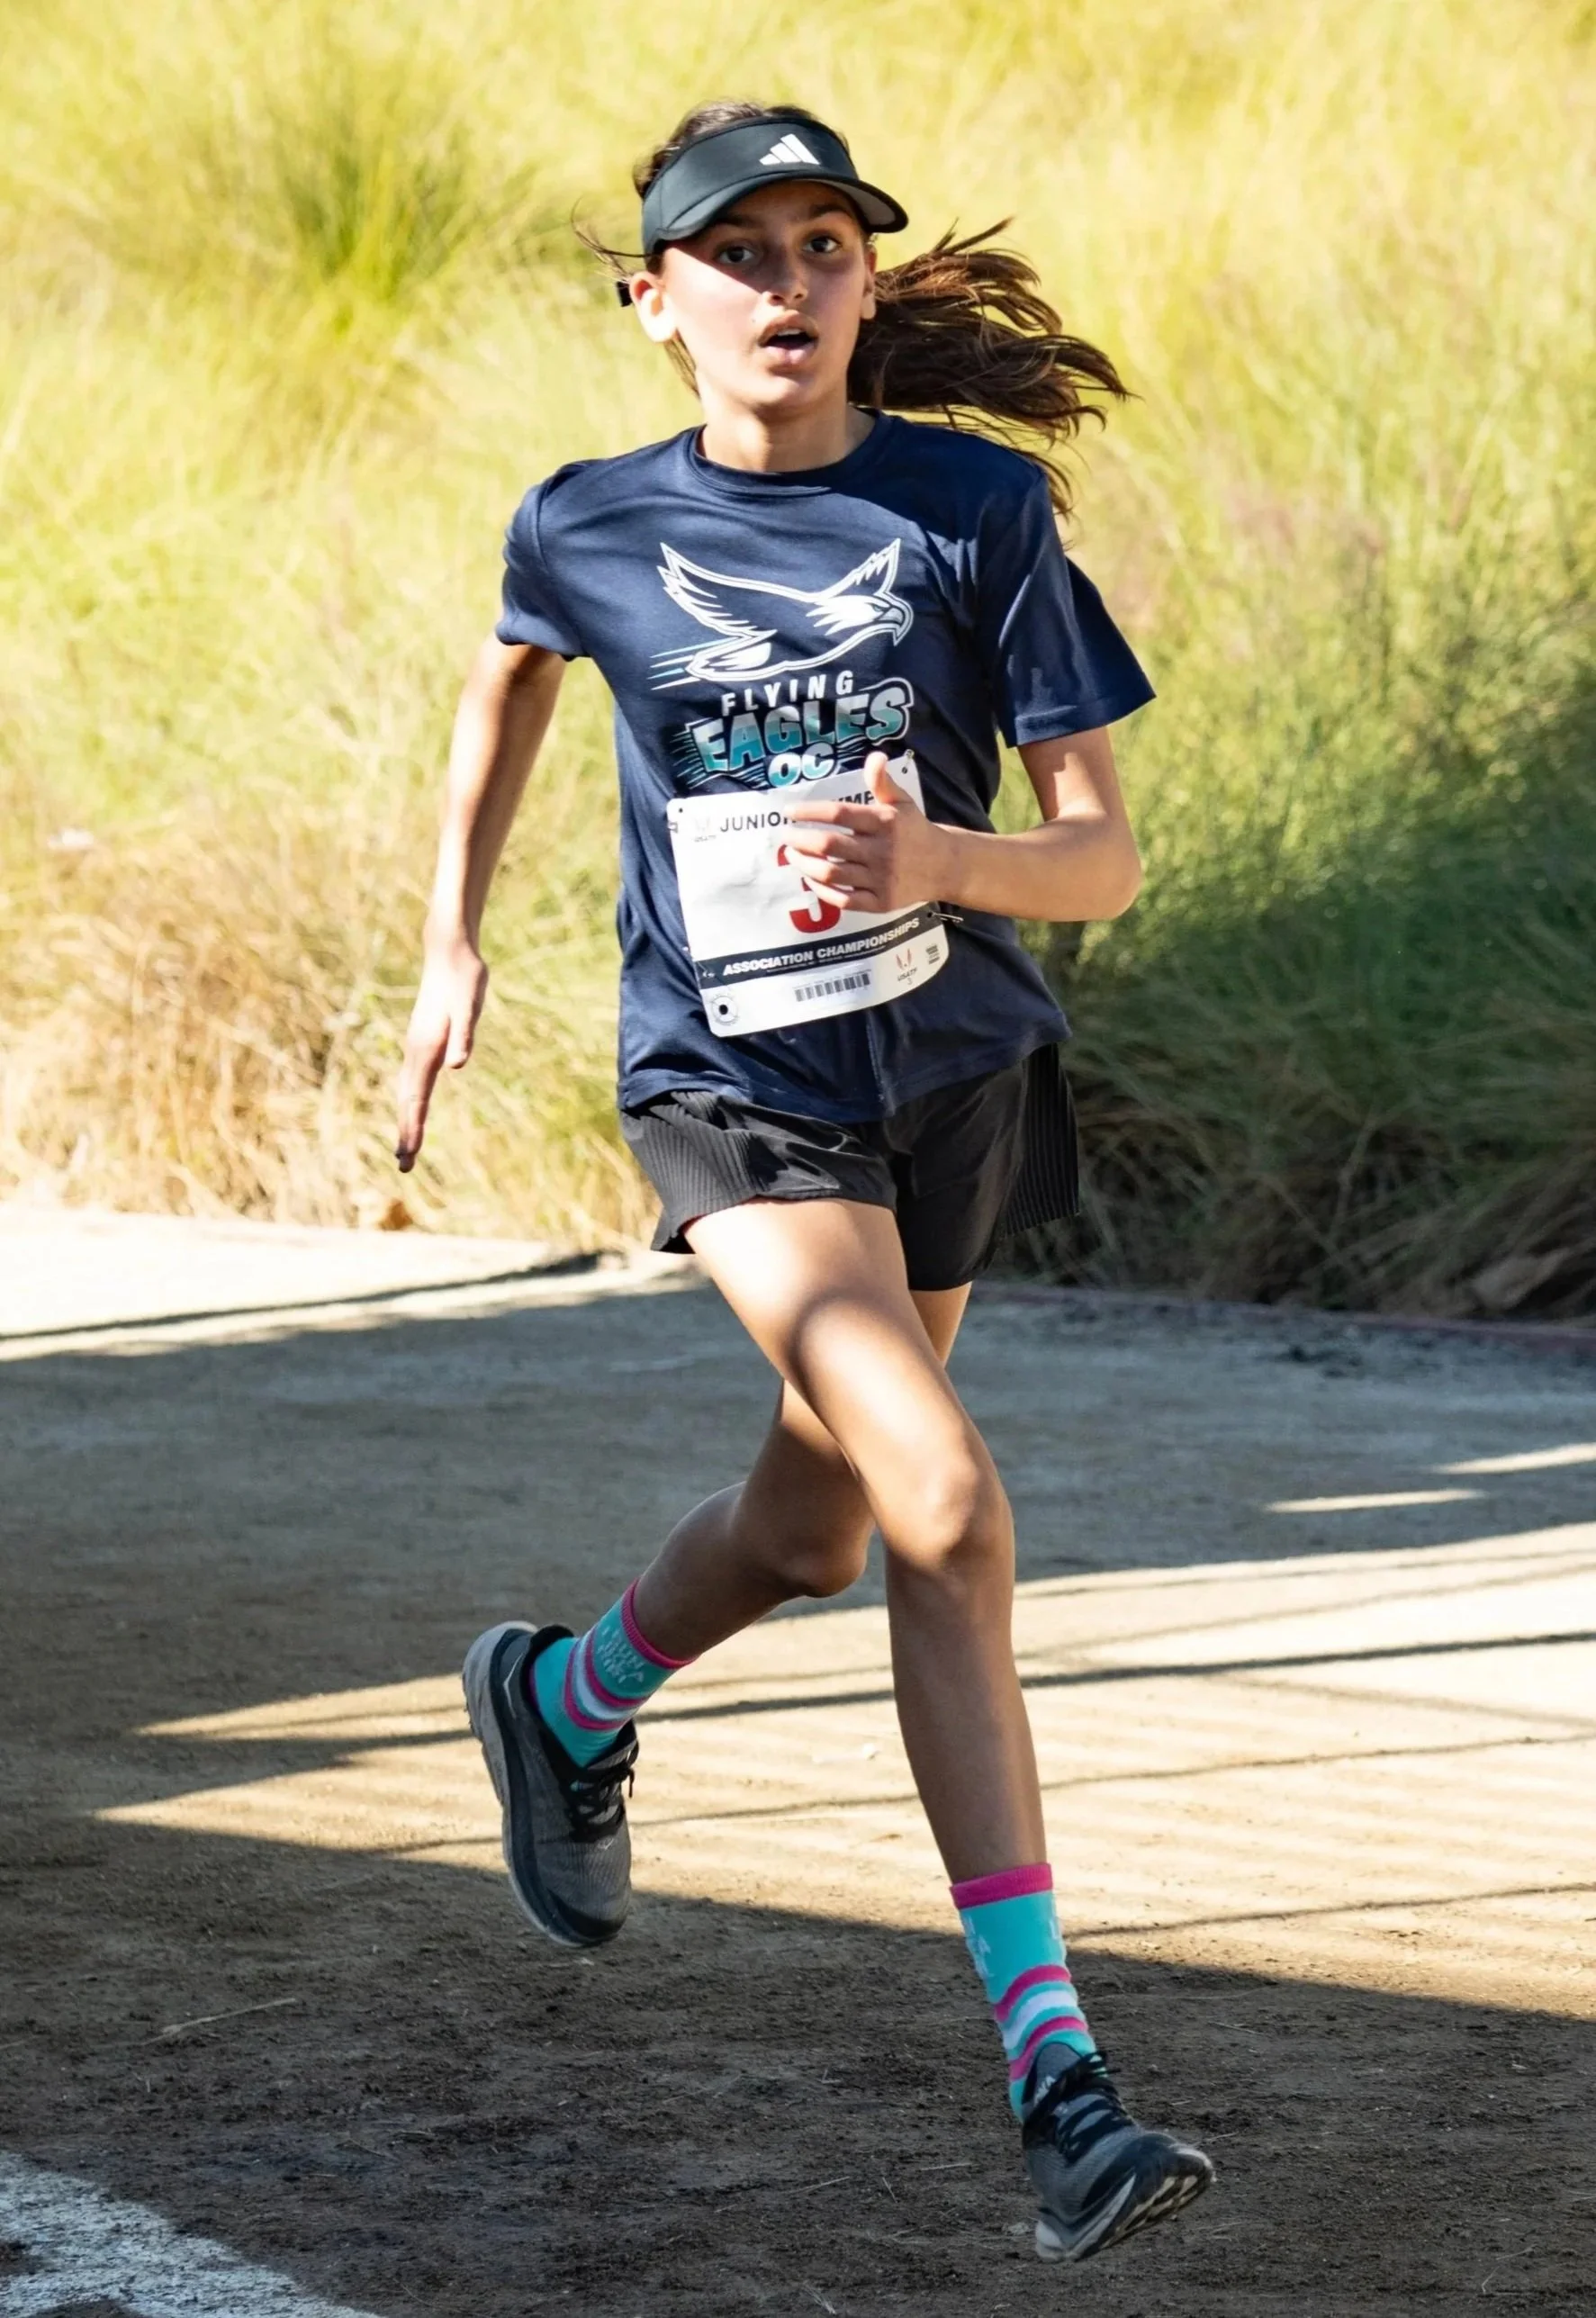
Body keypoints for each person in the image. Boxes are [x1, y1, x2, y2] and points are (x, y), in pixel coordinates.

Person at [395, 100, 1213, 2266]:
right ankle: (1059, 2078)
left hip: (946, 1074)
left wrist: (947, 863)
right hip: (733, 1092)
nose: (783, 283)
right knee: (943, 1498)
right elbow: (505, 691)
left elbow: (1103, 858)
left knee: (817, 1518)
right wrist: (448, 940)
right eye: (733, 253)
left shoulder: (974, 508)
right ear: (652, 301)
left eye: (820, 243)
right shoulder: (584, 522)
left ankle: (563, 1698)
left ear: (866, 279)